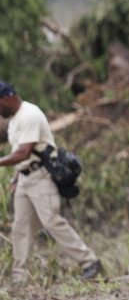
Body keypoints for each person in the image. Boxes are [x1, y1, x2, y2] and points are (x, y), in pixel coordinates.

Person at [0, 81, 102, 284]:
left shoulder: (30, 114)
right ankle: (19, 276)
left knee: (52, 221)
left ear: (6, 98)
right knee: (20, 226)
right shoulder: (14, 120)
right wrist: (16, 177)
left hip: (41, 178)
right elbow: (21, 155)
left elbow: (24, 152)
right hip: (25, 178)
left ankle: (89, 261)